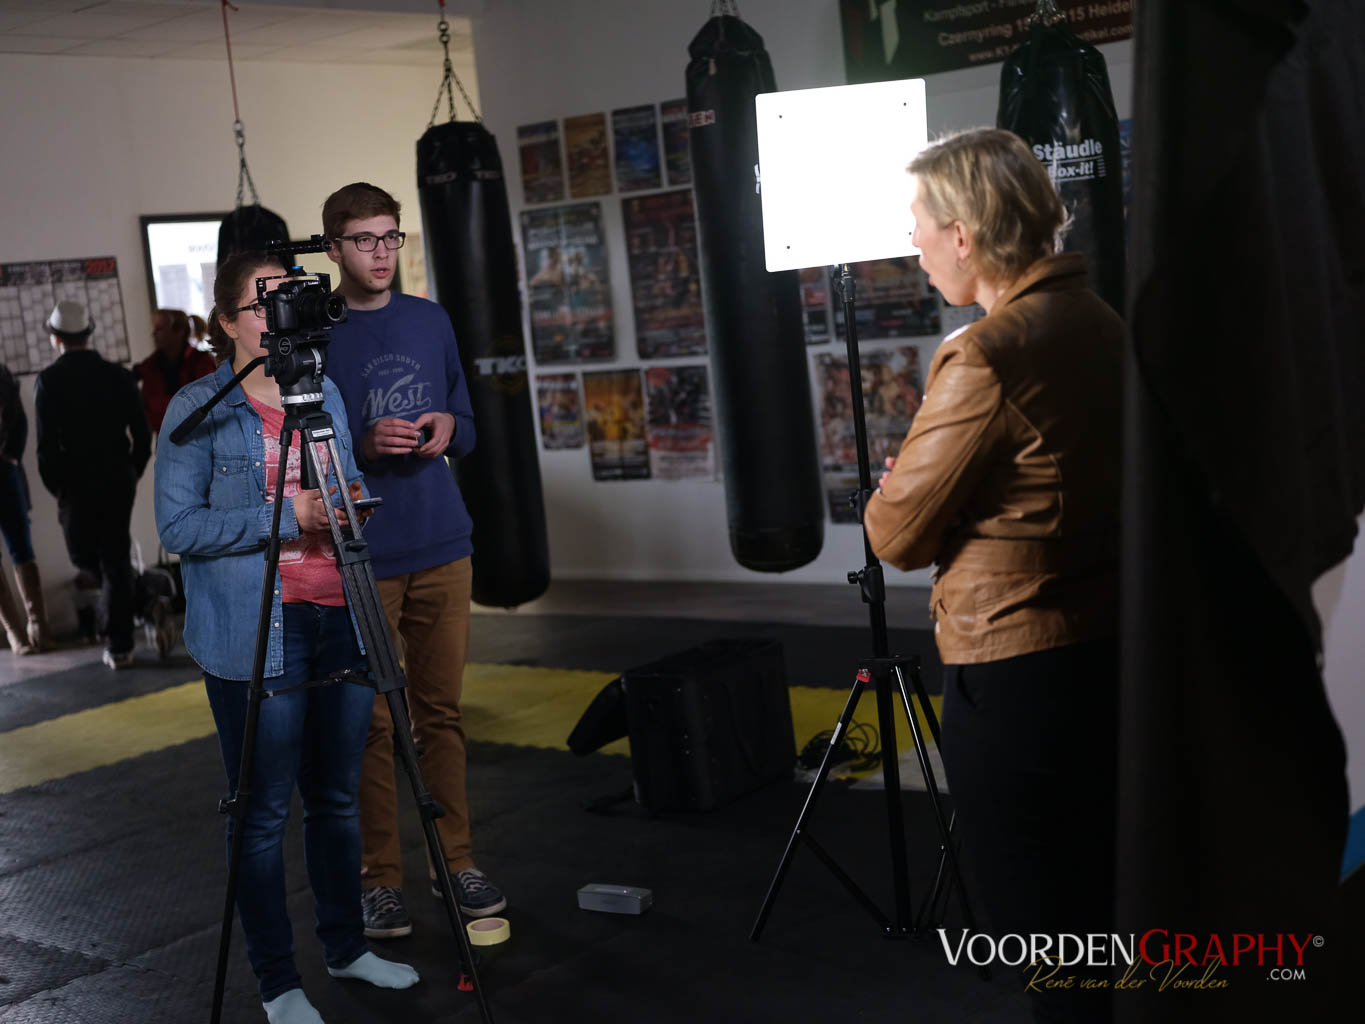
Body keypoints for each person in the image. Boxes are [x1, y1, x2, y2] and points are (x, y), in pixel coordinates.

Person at [862, 128, 1124, 1024]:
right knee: (1097, 899)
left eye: (919, 224)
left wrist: (894, 490)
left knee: (1038, 919)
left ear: (963, 235)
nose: (914, 245)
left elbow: (896, 533)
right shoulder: (1098, 321)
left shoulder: (984, 352)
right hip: (1107, 645)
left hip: (1015, 665)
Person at [155, 251, 419, 1024]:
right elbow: (178, 528)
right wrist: (288, 518)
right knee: (262, 815)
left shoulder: (322, 390)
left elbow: (342, 485)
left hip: (341, 613)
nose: (279, 316)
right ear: (228, 321)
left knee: (335, 801)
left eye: (287, 299)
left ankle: (347, 948)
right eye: (261, 303)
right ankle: (278, 984)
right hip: (255, 630)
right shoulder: (198, 406)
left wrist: (346, 501)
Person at [320, 181, 505, 940]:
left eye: (390, 237)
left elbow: (467, 421)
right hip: (363, 553)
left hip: (442, 543)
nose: (380, 253)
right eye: (364, 240)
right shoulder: (318, 334)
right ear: (334, 248)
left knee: (440, 716)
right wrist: (362, 446)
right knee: (369, 726)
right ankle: (380, 880)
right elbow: (305, 452)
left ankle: (454, 861)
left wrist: (448, 426)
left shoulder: (430, 319)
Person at [35, 299, 151, 670]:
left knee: (87, 556)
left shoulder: (49, 381)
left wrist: (60, 489)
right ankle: (137, 599)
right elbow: (141, 434)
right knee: (112, 560)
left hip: (75, 485)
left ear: (56, 338)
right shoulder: (118, 376)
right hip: (117, 478)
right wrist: (132, 472)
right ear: (88, 333)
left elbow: (45, 449)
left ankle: (119, 643)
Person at [0, 362, 53, 654]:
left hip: (6, 471)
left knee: (22, 548)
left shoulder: (3, 375)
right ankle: (15, 633)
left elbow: (18, 420)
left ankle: (39, 626)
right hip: (7, 470)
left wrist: (10, 456)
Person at [136, 307, 217, 433]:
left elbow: (207, 403)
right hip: (165, 436)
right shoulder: (150, 366)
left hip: (200, 435)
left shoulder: (201, 363)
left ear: (179, 332)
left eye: (160, 329)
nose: (154, 334)